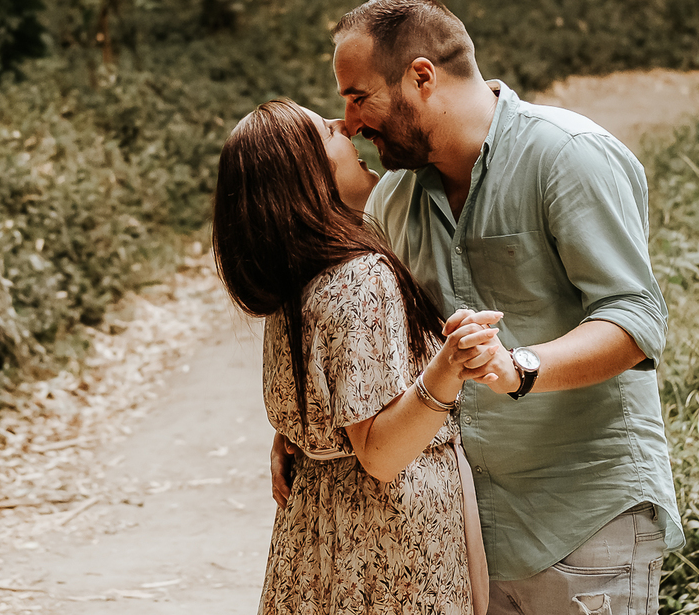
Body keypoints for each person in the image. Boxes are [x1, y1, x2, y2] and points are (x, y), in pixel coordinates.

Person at [276, 0, 685, 615]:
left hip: (584, 521)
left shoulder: (566, 155)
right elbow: (382, 349)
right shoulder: (393, 200)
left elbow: (634, 318)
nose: (351, 122)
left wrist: (517, 367)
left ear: (421, 77)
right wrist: (309, 430)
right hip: (465, 535)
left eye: (359, 97)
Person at [213, 98, 502, 614]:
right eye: (329, 132)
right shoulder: (361, 277)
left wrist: (296, 437)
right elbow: (380, 454)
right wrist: (451, 364)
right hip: (389, 545)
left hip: (317, 535)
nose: (346, 125)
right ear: (309, 176)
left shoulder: (296, 281)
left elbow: (334, 405)